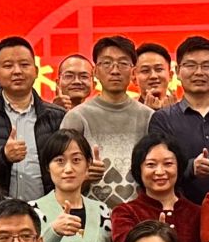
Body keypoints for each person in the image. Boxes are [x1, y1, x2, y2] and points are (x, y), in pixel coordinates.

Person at [0, 35, 63, 203]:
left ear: (36, 71)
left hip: (48, 210)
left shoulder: (57, 116)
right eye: (8, 66)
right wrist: (3, 156)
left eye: (24, 65)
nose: (17, 71)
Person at [37, 128, 125, 242]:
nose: (68, 169)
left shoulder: (103, 212)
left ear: (88, 165)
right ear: (47, 166)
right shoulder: (32, 213)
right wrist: (53, 232)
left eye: (76, 160)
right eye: (59, 161)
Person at [63, 35, 153, 208]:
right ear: (95, 71)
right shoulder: (77, 117)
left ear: (133, 72)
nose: (115, 70)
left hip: (138, 214)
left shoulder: (148, 116)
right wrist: (85, 175)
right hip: (90, 213)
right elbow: (60, 172)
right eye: (107, 63)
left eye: (123, 63)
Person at [151, 35, 209, 202]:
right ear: (177, 72)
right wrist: (190, 168)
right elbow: (156, 168)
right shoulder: (163, 119)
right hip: (182, 209)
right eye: (190, 65)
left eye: (206, 66)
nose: (199, 72)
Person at [134, 42, 175, 110]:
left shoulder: (184, 111)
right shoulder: (126, 111)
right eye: (145, 70)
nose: (153, 76)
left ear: (170, 75)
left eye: (159, 69)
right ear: (134, 78)